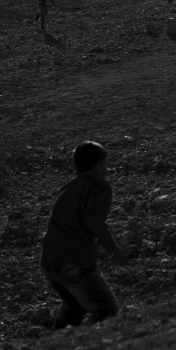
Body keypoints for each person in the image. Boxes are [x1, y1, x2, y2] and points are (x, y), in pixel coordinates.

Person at [40, 141, 126, 329]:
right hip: (73, 261)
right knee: (106, 308)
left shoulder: (67, 188)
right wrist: (113, 249)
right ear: (97, 166)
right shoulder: (99, 186)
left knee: (75, 308)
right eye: (105, 164)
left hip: (49, 261)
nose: (107, 169)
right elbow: (95, 221)